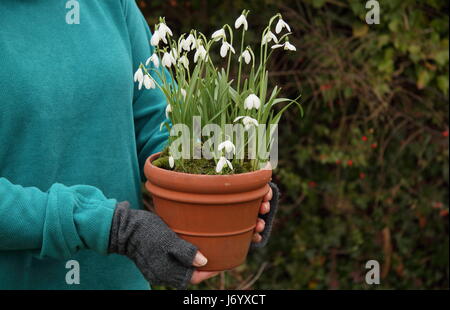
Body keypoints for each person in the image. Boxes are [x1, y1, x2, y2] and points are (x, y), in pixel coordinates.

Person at [0, 0, 279, 289]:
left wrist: (224, 185)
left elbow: (160, 117)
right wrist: (111, 228)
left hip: (120, 281)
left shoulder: (111, 6)